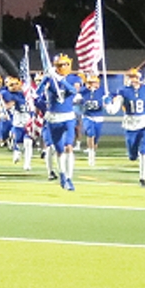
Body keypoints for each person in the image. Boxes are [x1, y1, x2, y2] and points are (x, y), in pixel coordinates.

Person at [106, 68, 145, 187]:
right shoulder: (123, 91)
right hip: (130, 125)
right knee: (132, 155)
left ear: (139, 78)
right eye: (130, 77)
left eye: (134, 77)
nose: (133, 80)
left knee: (144, 151)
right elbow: (114, 110)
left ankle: (142, 178)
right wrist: (107, 104)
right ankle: (133, 156)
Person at [41, 54, 81, 191]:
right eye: (60, 65)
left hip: (68, 117)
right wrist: (46, 79)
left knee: (68, 146)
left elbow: (73, 91)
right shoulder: (50, 79)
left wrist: (60, 80)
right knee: (58, 150)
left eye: (65, 64)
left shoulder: (74, 78)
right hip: (53, 117)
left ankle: (69, 177)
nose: (63, 67)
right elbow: (37, 93)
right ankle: (62, 175)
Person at [81, 72, 107, 168]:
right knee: (90, 134)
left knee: (96, 138)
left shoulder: (102, 91)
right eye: (90, 83)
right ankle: (91, 156)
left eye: (93, 83)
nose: (91, 85)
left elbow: (109, 99)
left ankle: (93, 152)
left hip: (98, 117)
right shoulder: (83, 91)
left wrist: (107, 101)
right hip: (87, 116)